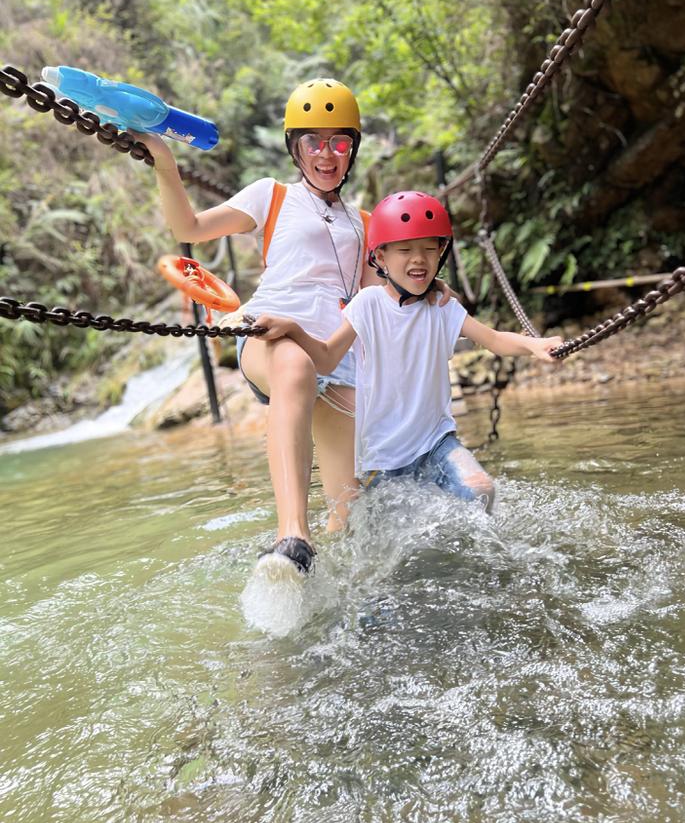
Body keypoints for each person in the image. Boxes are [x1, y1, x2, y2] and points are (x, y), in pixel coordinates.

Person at [137, 80, 452, 581]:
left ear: (353, 149)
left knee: (350, 514)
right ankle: (292, 538)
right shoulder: (272, 195)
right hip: (272, 334)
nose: (326, 154)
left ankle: (322, 592)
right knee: (293, 363)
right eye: (313, 141)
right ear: (294, 147)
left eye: (339, 142)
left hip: (334, 356)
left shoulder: (366, 223)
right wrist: (165, 164)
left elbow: (384, 298)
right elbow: (189, 229)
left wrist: (431, 289)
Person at [251, 191, 564, 510]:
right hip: (382, 460)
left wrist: (535, 345)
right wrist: (293, 329)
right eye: (405, 250)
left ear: (441, 254)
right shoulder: (368, 305)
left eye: (430, 250)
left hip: (437, 443)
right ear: (381, 258)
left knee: (481, 490)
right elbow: (328, 357)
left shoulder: (443, 308)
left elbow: (494, 339)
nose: (419, 259)